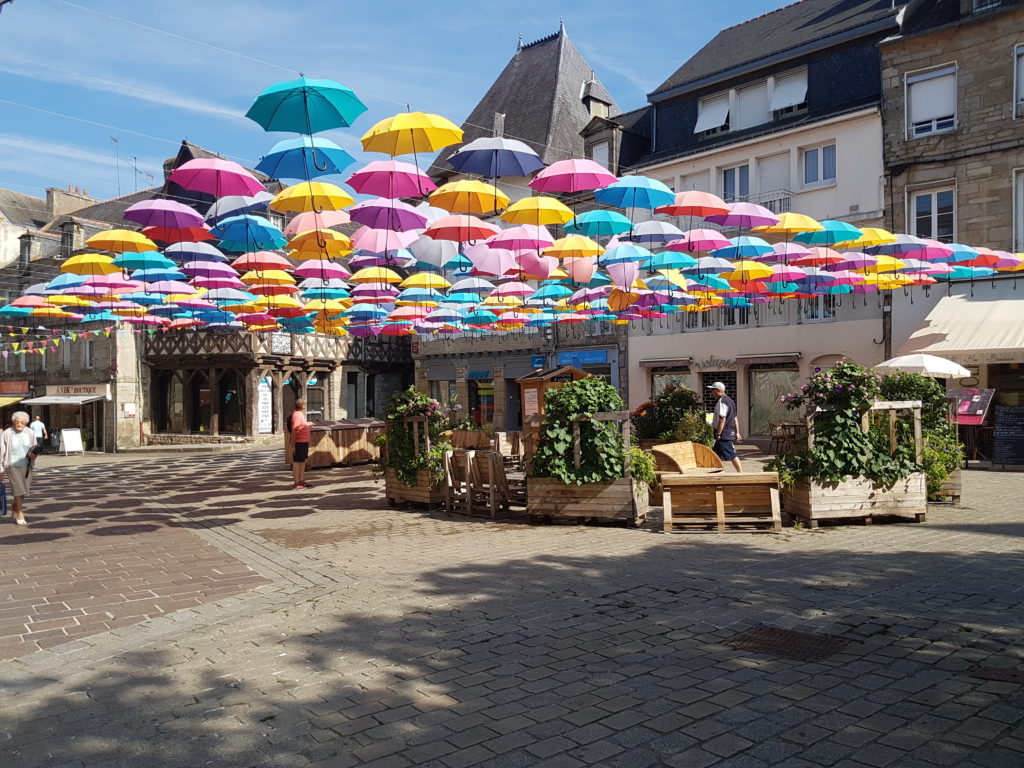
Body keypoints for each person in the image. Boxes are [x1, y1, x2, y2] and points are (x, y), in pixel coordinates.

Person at [1, 411, 39, 525]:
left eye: (22, 422)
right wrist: (0, 469)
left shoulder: (30, 433)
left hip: (27, 465)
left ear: (26, 423)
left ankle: (15, 505)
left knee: (24, 491)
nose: (19, 424)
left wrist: (34, 455)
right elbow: (1, 452)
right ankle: (20, 514)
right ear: (13, 422)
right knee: (18, 489)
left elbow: (35, 447)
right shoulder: (7, 433)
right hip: (12, 465)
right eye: (17, 422)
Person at [708, 382, 743, 473]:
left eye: (712, 390)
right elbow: (735, 418)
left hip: (723, 433)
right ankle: (718, 471)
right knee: (715, 455)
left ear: (718, 391)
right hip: (728, 431)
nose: (711, 392)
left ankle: (740, 473)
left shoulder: (722, 401)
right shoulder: (730, 400)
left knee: (731, 454)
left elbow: (722, 418)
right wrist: (737, 432)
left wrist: (719, 433)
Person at [289, 398, 311, 489]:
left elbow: (301, 425)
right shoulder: (297, 415)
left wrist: (307, 424)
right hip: (299, 442)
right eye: (305, 404)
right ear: (303, 406)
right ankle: (297, 482)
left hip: (303, 441)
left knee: (303, 461)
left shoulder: (300, 414)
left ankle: (301, 480)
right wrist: (293, 445)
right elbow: (294, 430)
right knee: (297, 462)